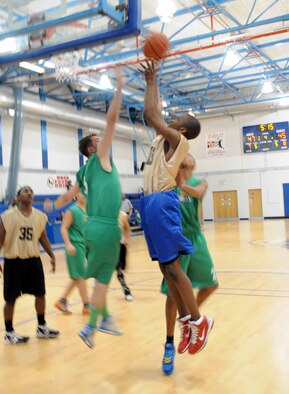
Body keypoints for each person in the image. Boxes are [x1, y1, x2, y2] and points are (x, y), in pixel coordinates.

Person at [139, 60, 214, 358]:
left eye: (177, 116)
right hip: (149, 203)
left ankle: (199, 320)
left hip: (162, 201)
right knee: (165, 269)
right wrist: (153, 81)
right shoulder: (163, 137)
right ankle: (186, 321)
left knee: (172, 266)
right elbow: (155, 111)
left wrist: (151, 79)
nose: (171, 116)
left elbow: (150, 114)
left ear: (182, 128)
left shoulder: (176, 138)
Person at [44, 71, 124, 349]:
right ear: (93, 147)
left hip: (95, 227)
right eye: (98, 138)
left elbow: (68, 195)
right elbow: (112, 120)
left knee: (102, 278)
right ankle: (97, 322)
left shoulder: (82, 171)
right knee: (99, 278)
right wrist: (119, 89)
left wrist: (51, 205)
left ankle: (97, 324)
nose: (103, 139)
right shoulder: (100, 158)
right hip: (104, 226)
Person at [161, 153, 219, 375]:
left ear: (193, 164)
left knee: (211, 284)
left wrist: (181, 184)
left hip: (195, 237)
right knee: (171, 294)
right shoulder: (166, 185)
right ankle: (169, 344)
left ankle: (189, 322)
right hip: (175, 238)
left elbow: (198, 193)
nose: (186, 156)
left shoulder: (198, 182)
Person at [0, 186, 60, 345]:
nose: (29, 193)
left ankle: (41, 327)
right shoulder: (7, 216)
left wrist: (51, 255)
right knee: (10, 299)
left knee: (40, 294)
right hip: (13, 262)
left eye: (31, 191)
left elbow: (43, 238)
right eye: (25, 191)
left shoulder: (40, 216)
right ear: (17, 197)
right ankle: (9, 332)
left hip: (33, 261)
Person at [54, 192, 90, 315]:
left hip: (84, 245)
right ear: (76, 195)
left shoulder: (87, 210)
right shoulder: (72, 210)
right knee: (80, 276)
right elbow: (63, 228)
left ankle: (62, 301)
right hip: (74, 246)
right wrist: (68, 244)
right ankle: (87, 305)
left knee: (77, 276)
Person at [116, 210, 133, 301]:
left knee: (123, 267)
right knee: (118, 269)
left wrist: (127, 239)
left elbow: (127, 228)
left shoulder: (122, 215)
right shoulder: (104, 214)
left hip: (121, 245)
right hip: (110, 247)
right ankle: (126, 290)